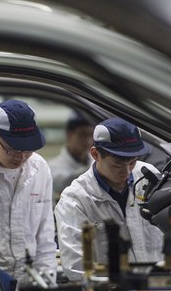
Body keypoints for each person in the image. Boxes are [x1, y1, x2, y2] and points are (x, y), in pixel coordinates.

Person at [55, 117, 164, 281]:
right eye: (117, 164)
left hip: (160, 290)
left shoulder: (150, 177)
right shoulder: (76, 200)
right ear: (95, 154)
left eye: (132, 162)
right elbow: (76, 269)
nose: (127, 172)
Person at [0, 100, 56, 291]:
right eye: (12, 149)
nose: (21, 158)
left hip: (30, 284)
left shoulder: (40, 168)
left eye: (28, 150)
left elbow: (45, 236)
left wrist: (47, 284)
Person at [47, 112, 94, 198]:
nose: (88, 140)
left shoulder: (95, 161)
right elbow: (63, 184)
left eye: (90, 135)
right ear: (69, 134)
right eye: (82, 134)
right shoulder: (53, 167)